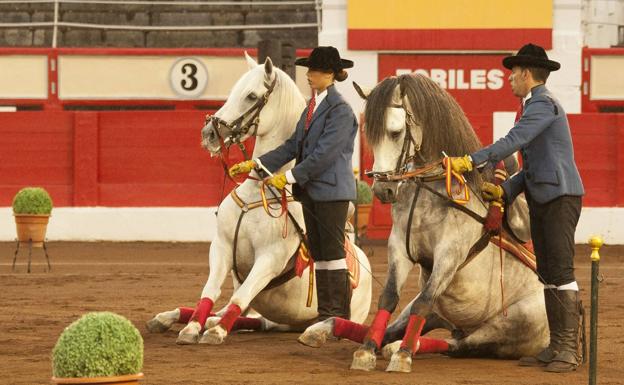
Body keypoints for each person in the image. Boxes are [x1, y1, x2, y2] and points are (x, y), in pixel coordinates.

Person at [449, 43, 585, 373]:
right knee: (548, 272)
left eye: (513, 74)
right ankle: (556, 345)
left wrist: (471, 160)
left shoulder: (542, 105)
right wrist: (506, 189)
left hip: (558, 197)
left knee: (561, 271)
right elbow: (531, 167)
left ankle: (568, 349)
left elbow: (512, 142)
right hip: (546, 195)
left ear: (525, 74)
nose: (509, 79)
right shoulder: (534, 106)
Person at [229, 46, 358, 321]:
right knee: (320, 255)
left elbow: (323, 155)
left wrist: (288, 177)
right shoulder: (312, 106)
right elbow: (292, 146)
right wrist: (258, 164)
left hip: (332, 192)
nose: (309, 75)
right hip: (312, 191)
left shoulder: (342, 111)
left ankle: (340, 315)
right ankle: (327, 314)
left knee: (333, 254)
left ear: (330, 75)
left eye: (314, 70)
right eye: (309, 70)